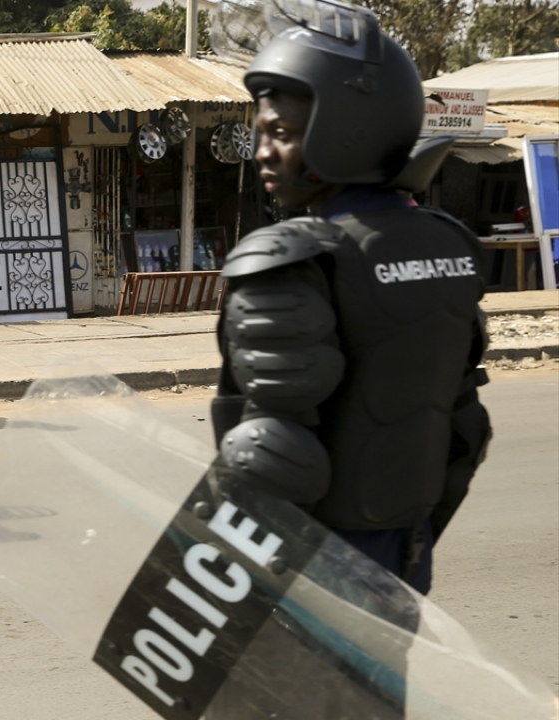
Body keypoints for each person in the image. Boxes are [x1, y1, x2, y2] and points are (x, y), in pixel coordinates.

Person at [210, 10, 491, 596]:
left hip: (316, 567)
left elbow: (270, 456)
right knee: (383, 689)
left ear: (347, 127)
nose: (262, 153)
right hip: (407, 547)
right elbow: (465, 424)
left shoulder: (298, 258)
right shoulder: (448, 242)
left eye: (281, 133)